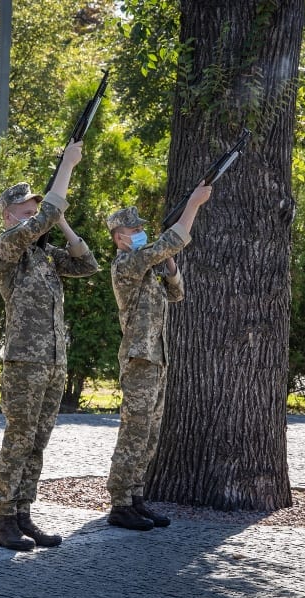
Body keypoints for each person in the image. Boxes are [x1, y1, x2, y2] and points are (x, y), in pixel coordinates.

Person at [0, 140, 99, 551]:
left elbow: (86, 264)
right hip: (24, 360)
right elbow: (43, 219)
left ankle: (23, 514)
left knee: (38, 441)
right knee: (18, 438)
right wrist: (67, 167)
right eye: (25, 208)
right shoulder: (6, 248)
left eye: (35, 205)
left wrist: (64, 224)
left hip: (53, 360)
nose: (34, 212)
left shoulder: (45, 254)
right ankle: (3, 521)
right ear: (7, 215)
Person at [104, 185, 212, 531]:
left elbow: (177, 293)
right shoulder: (126, 265)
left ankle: (136, 497)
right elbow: (174, 238)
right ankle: (120, 502)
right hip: (139, 358)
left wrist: (169, 263)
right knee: (134, 431)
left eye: (141, 230)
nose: (140, 234)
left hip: (157, 357)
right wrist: (193, 203)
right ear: (119, 238)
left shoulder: (147, 269)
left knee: (149, 433)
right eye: (134, 231)